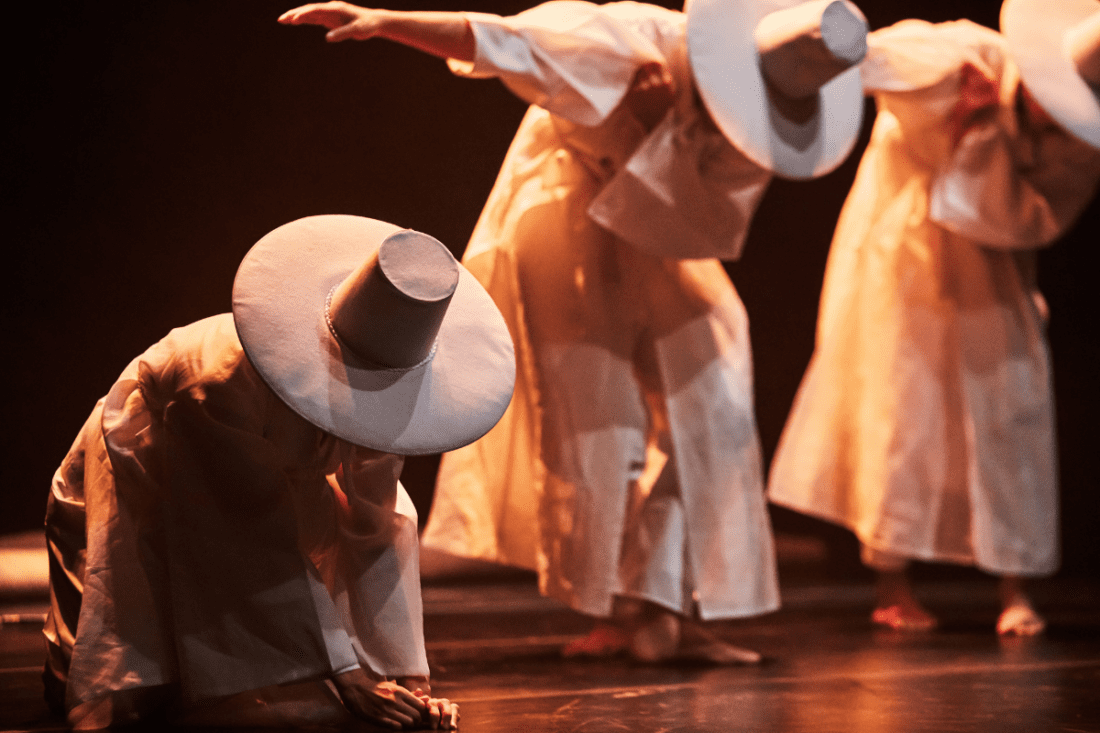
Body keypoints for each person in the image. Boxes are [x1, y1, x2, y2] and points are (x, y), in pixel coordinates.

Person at [280, 0, 870, 662]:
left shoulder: (766, 122)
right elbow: (507, 42)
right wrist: (387, 21)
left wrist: (662, 131)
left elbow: (705, 220)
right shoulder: (635, 42)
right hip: (568, 216)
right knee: (599, 415)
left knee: (715, 396)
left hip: (663, 237)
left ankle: (664, 604)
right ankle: (620, 609)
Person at [43, 215, 517, 729]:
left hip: (268, 497)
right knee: (123, 691)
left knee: (287, 703)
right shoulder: (217, 378)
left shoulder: (389, 386)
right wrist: (348, 674)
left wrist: (409, 681)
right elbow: (241, 529)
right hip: (145, 472)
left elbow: (379, 520)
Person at [767, 0, 1100, 635]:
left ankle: (1016, 583)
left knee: (1009, 410)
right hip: (902, 255)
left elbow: (1029, 217)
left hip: (993, 266)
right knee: (900, 406)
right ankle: (893, 582)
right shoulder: (963, 55)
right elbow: (874, 61)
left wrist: (977, 143)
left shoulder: (1081, 139)